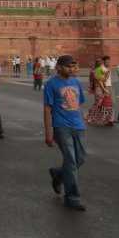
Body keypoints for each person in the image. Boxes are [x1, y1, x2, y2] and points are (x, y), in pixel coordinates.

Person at [44, 55, 87, 211]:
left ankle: (58, 174)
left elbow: (78, 103)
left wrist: (82, 120)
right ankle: (72, 198)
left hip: (78, 126)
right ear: (59, 67)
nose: (72, 69)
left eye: (74, 66)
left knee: (80, 159)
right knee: (71, 161)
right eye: (69, 66)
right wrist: (48, 133)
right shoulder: (51, 84)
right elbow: (47, 109)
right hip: (61, 127)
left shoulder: (76, 82)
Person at [87, 58, 114, 126]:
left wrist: (91, 88)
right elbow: (101, 81)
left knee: (99, 104)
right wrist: (107, 73)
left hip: (98, 89)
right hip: (99, 89)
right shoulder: (98, 71)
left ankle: (95, 117)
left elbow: (92, 81)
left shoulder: (94, 71)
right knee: (98, 104)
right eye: (101, 63)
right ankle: (90, 117)